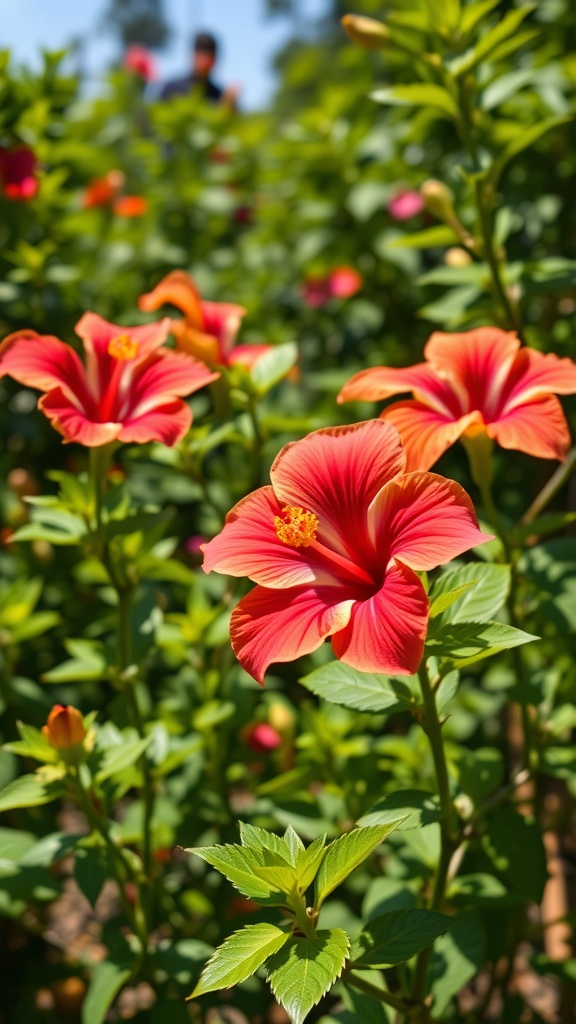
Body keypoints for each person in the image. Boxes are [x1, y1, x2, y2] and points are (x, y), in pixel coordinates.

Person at [160, 31, 236, 105]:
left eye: (208, 57)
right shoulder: (172, 89)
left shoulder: (220, 96)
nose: (204, 61)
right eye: (201, 55)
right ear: (193, 56)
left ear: (214, 61)